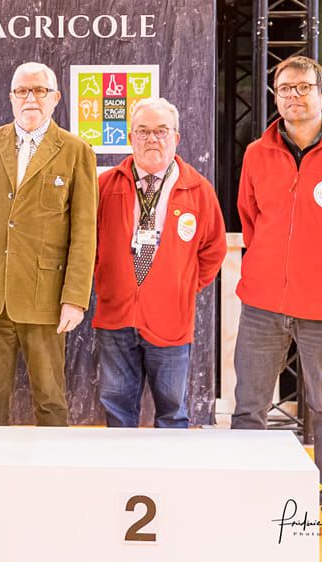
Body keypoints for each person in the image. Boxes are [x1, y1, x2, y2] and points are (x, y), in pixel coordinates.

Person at [233, 56, 322, 544]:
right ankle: (247, 497)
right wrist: (272, 267)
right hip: (262, 303)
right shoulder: (256, 152)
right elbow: (250, 217)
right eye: (283, 89)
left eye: (302, 88)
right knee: (250, 405)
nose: (292, 96)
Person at [0, 62, 98, 426]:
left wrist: (75, 297)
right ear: (11, 98)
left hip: (46, 298)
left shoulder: (76, 151)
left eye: (39, 90)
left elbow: (85, 232)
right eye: (22, 91)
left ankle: (54, 478)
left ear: (55, 98)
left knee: (51, 400)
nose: (31, 98)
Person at [93, 97, 226, 429]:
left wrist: (181, 285)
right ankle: (122, 479)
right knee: (117, 409)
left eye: (161, 131)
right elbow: (86, 245)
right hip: (116, 318)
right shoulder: (105, 186)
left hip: (171, 320)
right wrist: (107, 280)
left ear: (176, 138)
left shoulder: (199, 190)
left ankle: (169, 480)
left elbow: (213, 249)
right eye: (143, 131)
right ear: (130, 137)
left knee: (172, 411)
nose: (152, 138)